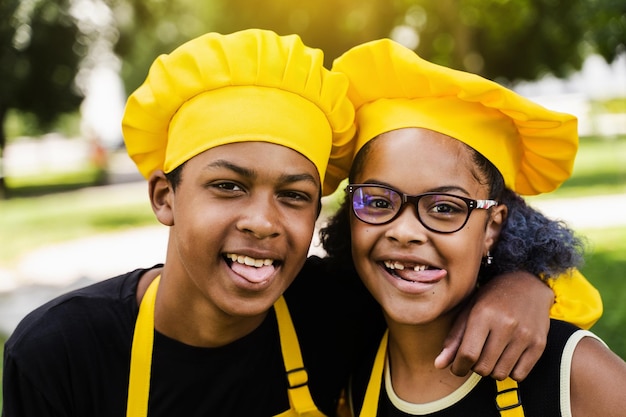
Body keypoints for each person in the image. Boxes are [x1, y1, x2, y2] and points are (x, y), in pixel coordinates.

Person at [1, 30, 602, 417]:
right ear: (165, 196)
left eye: (294, 195)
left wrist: (522, 284)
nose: (263, 221)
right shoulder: (63, 352)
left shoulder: (336, 310)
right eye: (228, 186)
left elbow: (439, 279)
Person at [321, 38, 626, 416]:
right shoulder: (354, 373)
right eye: (380, 201)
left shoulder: (571, 372)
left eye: (445, 208)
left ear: (492, 228)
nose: (405, 231)